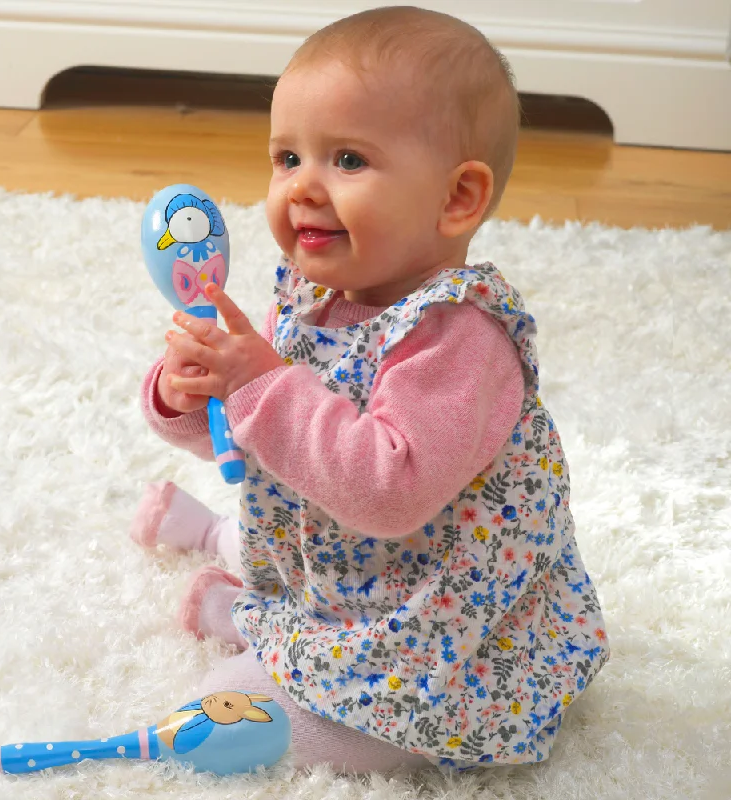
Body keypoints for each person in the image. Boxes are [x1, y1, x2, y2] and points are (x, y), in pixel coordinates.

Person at [131, 5, 610, 774]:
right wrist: (194, 392)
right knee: (273, 545)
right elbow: (258, 428)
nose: (302, 189)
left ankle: (247, 609)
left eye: (347, 160)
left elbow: (387, 494)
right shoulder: (313, 290)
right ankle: (238, 564)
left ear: (458, 199)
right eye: (287, 158)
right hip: (333, 558)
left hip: (438, 622)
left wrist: (259, 382)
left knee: (238, 710)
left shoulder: (458, 338)